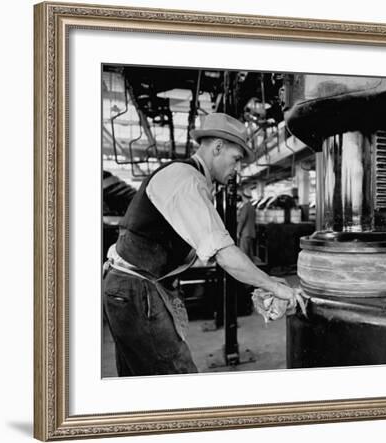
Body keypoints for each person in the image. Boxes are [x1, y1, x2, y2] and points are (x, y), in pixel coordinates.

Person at [102, 112, 296, 376]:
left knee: (138, 379)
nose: (237, 169)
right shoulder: (185, 180)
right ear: (217, 147)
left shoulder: (190, 179)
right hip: (137, 289)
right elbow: (223, 252)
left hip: (131, 287)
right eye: (236, 159)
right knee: (177, 378)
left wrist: (257, 279)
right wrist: (272, 286)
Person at [237, 187, 256, 261]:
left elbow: (242, 220)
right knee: (250, 254)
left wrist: (238, 231)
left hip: (245, 233)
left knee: (244, 254)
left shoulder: (245, 207)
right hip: (251, 233)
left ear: (243, 197)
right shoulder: (252, 207)